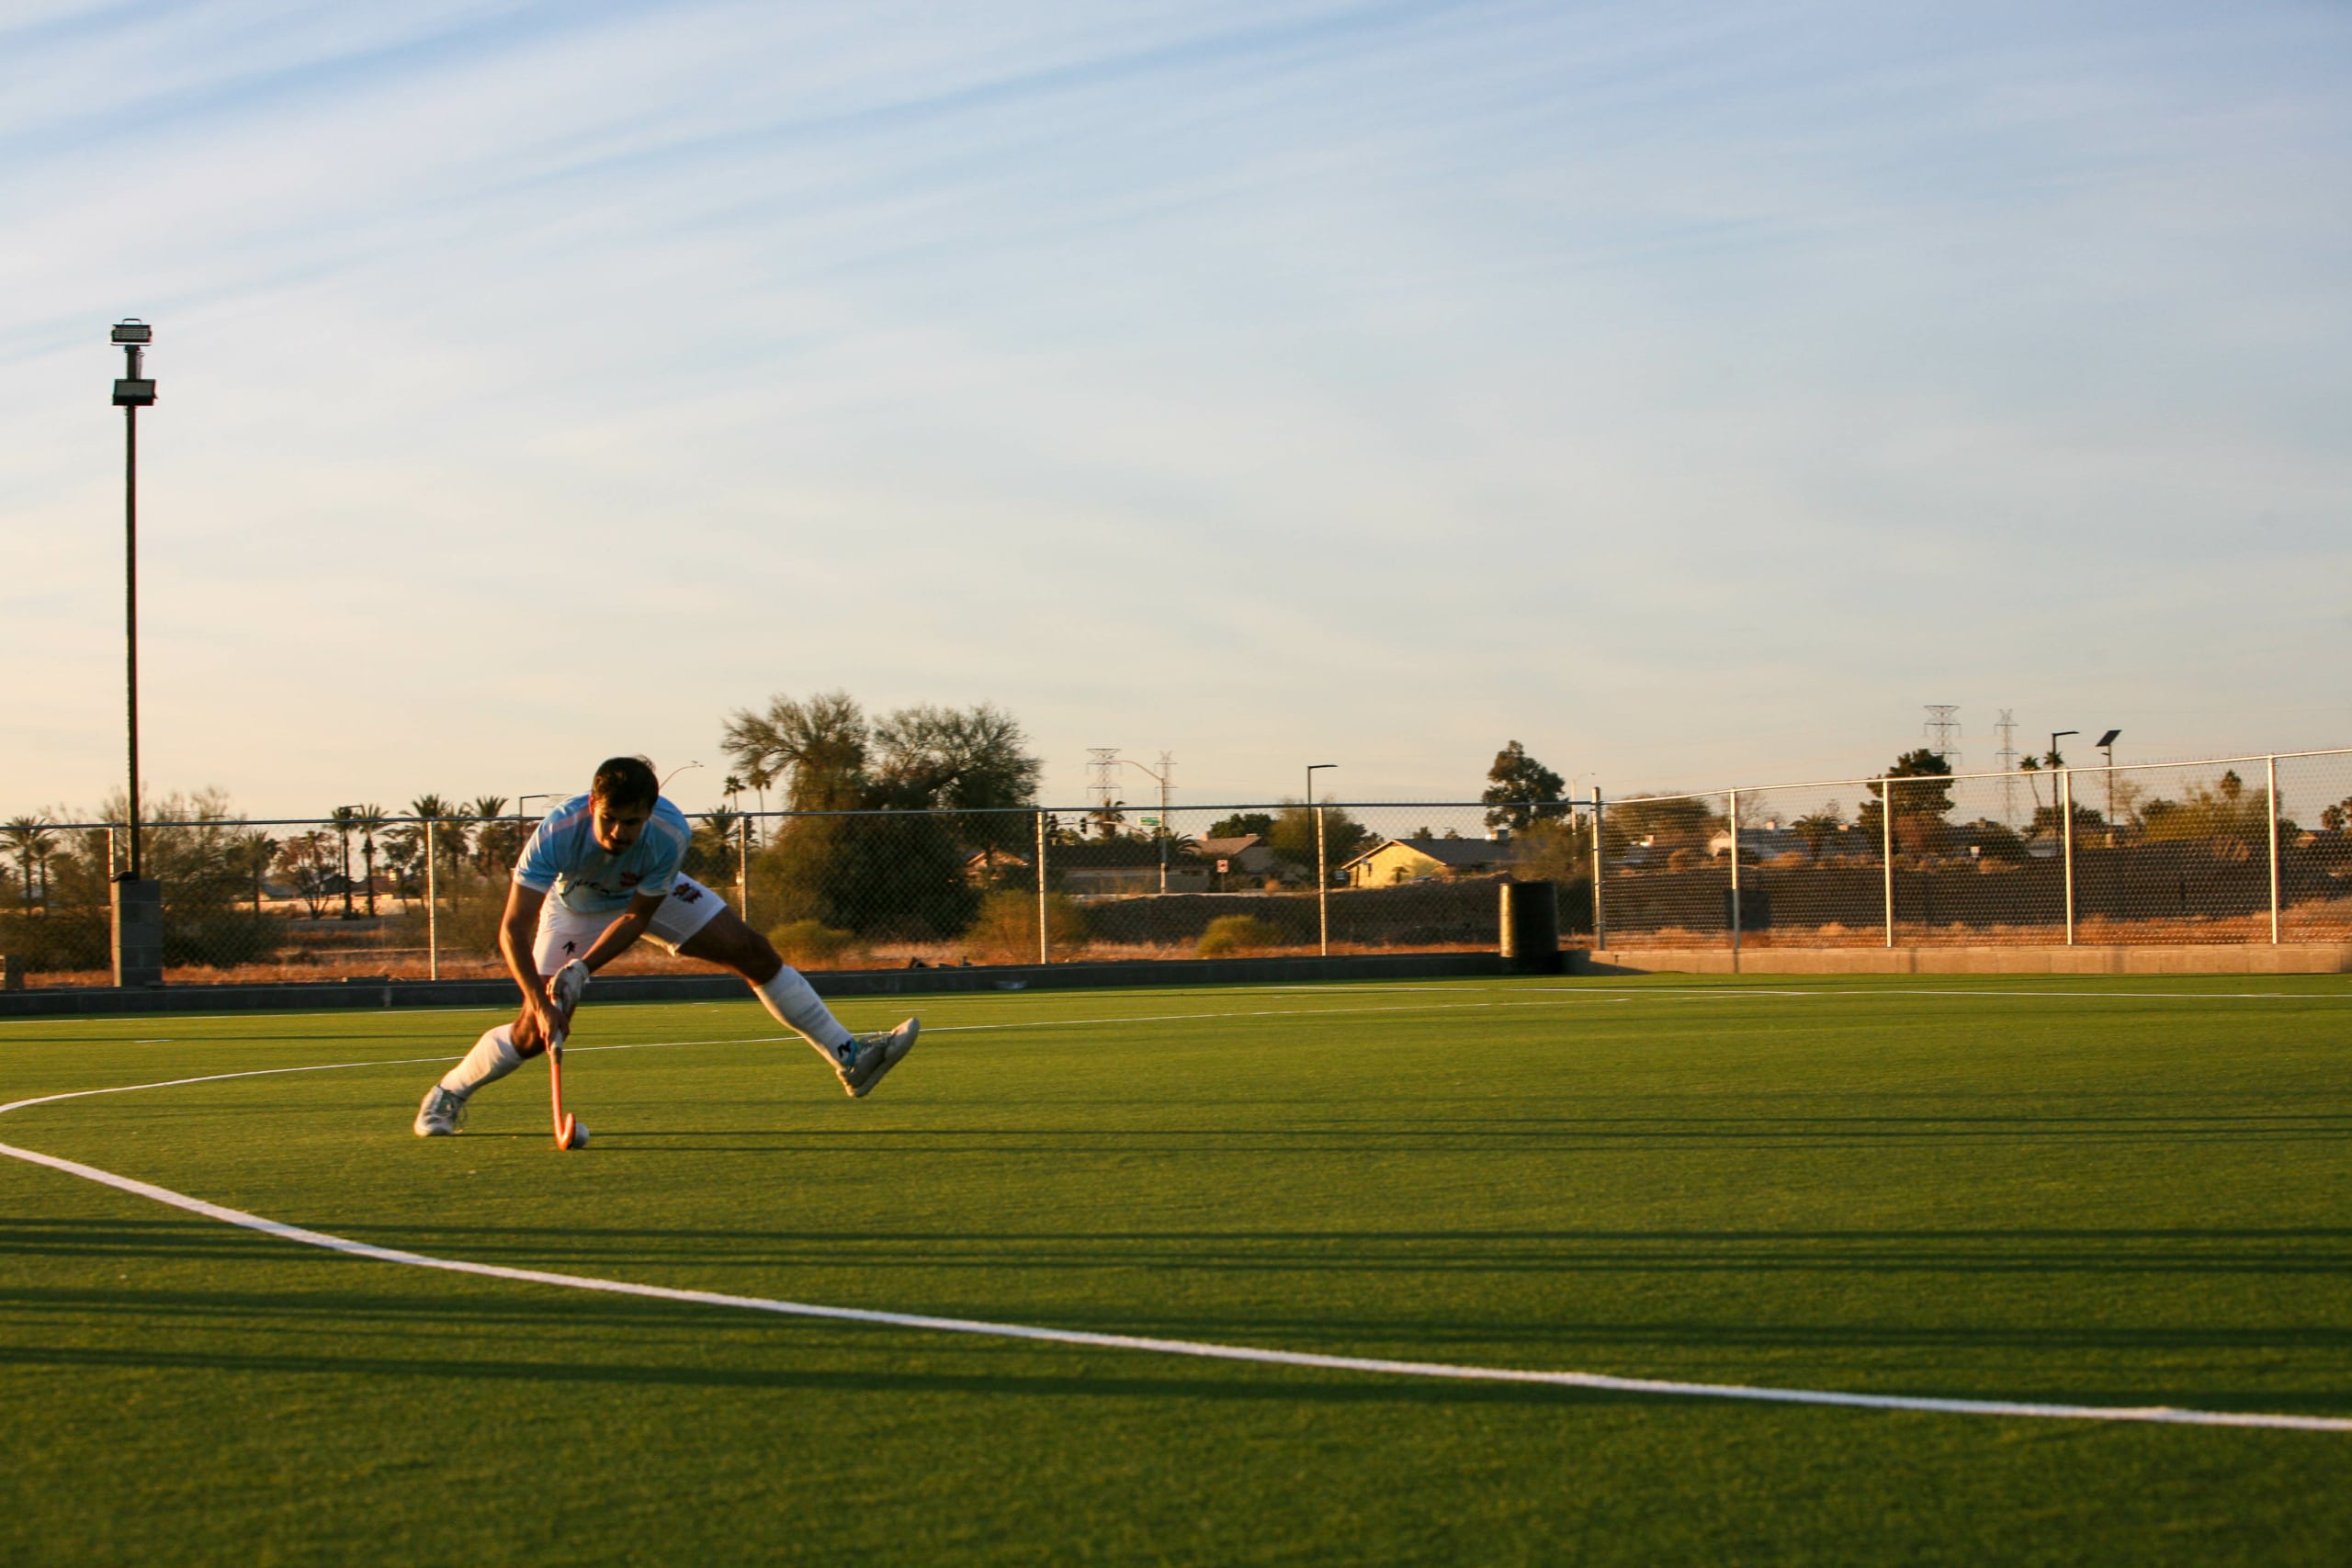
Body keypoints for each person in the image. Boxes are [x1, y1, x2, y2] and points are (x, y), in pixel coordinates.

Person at [413, 755, 916, 1136]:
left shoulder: (669, 835)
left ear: (649, 815)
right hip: (575, 909)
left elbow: (637, 917)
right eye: (609, 818)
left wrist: (583, 970)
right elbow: (512, 928)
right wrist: (538, 1000)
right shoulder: (557, 833)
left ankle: (849, 1056)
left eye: (631, 823)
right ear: (593, 805)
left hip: (643, 896)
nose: (618, 832)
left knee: (754, 951)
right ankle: (447, 1095)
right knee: (530, 1033)